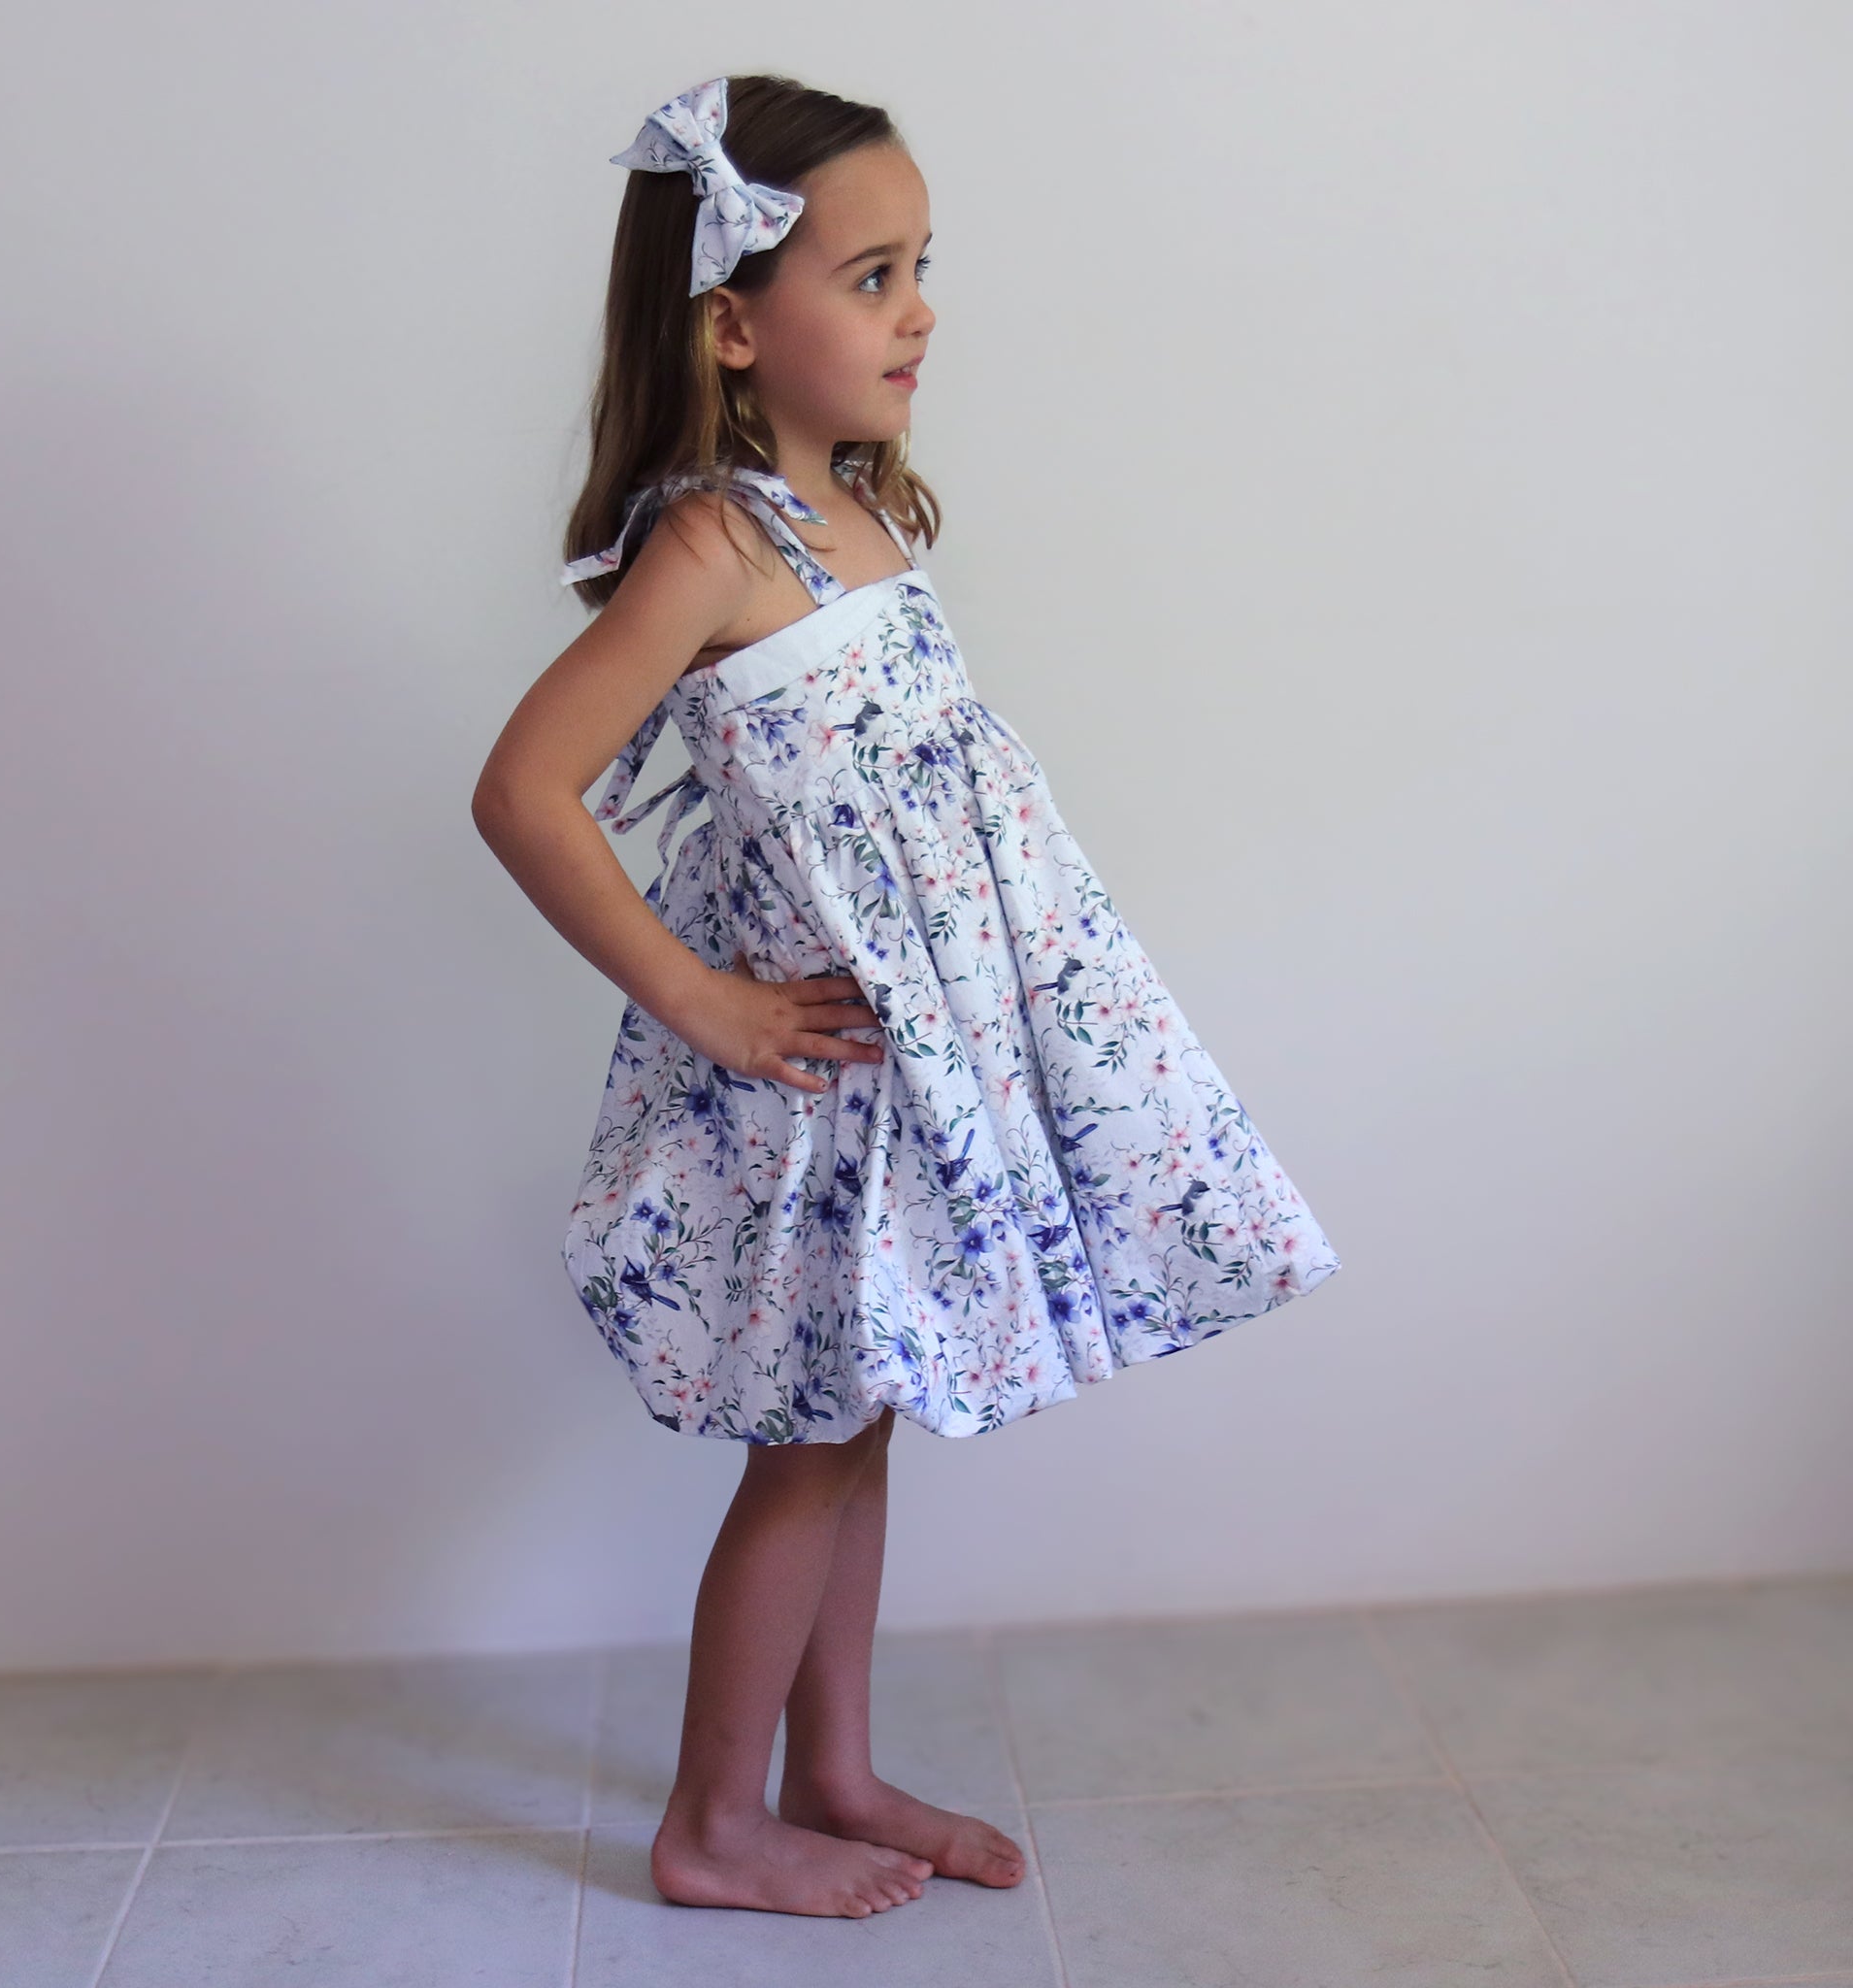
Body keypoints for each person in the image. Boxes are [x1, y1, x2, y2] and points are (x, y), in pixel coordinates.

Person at [472, 73, 1341, 1921]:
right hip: (819, 1093)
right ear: (731, 320)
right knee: (814, 1440)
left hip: (913, 1073)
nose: (919, 310)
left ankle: (832, 1768)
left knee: (857, 1428)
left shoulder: (856, 514)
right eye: (872, 275)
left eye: (919, 268)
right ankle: (715, 1823)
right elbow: (522, 791)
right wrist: (706, 1001)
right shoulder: (714, 542)